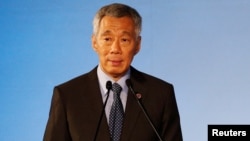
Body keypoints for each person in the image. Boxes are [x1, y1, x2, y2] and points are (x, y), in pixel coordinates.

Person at [43, 3, 183, 141]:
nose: (115, 49)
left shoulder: (160, 94)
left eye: (124, 40)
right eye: (107, 39)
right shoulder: (67, 96)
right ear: (94, 42)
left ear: (137, 45)